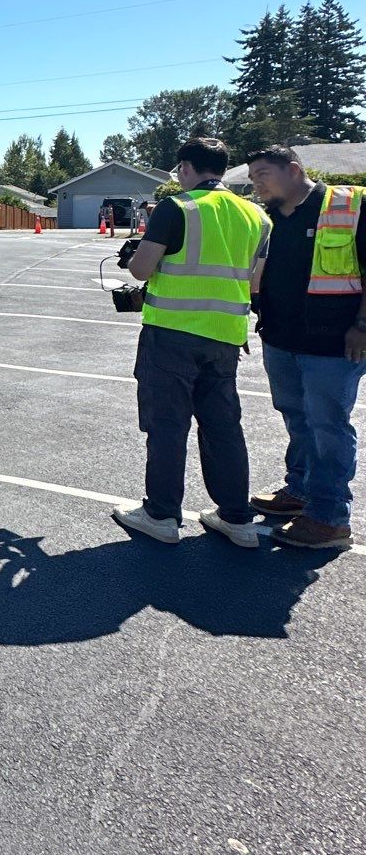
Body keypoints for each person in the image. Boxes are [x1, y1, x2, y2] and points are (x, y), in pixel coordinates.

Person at [112, 135, 270, 547]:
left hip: (171, 334)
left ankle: (162, 515)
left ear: (185, 168)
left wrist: (131, 257)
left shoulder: (177, 207)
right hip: (226, 337)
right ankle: (237, 518)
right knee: (223, 427)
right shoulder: (256, 215)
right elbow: (256, 282)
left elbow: (143, 271)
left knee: (167, 425)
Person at [246, 146, 366, 550]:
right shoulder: (268, 219)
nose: (256, 183)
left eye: (263, 174)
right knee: (297, 418)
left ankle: (330, 518)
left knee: (327, 426)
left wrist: (362, 326)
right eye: (253, 176)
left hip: (333, 346)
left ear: (294, 170)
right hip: (281, 338)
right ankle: (299, 491)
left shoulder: (346, 207)